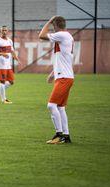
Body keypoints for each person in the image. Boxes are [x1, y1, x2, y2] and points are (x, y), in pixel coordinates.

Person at [39, 16, 74, 144]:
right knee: (60, 108)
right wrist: (53, 73)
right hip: (65, 76)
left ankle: (59, 135)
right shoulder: (67, 36)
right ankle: (66, 136)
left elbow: (41, 35)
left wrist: (48, 21)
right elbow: (63, 59)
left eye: (53, 26)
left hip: (64, 78)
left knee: (51, 106)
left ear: (56, 26)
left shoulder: (62, 35)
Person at [0, 25, 22, 104]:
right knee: (2, 81)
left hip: (8, 65)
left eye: (5, 30)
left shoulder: (9, 41)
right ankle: (3, 99)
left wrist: (17, 60)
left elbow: (12, 51)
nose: (4, 32)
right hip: (1, 65)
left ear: (8, 31)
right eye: (3, 30)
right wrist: (2, 54)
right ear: (0, 31)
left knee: (12, 82)